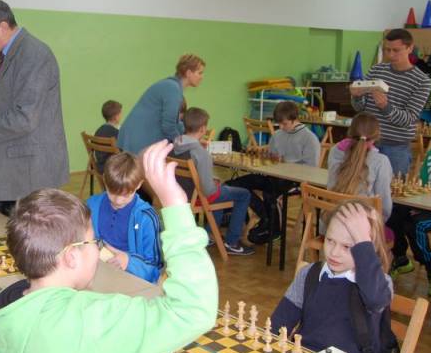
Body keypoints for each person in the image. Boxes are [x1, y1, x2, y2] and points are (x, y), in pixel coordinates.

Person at [0, 140, 217, 353]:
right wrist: (175, 205)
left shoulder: (3, 313)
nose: (97, 247)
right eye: (93, 241)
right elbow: (193, 311)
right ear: (71, 256)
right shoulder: (102, 322)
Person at [0, 0, 68, 209]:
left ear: (2, 26)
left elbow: (25, 118)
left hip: (30, 173)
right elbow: (10, 110)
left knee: (29, 229)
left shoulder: (34, 55)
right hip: (16, 168)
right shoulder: (12, 53)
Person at [272, 201, 394, 353]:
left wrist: (362, 240)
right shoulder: (309, 274)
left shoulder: (380, 284)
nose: (334, 252)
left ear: (368, 247)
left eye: (347, 247)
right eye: (330, 240)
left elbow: (376, 300)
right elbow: (279, 322)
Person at [228, 101, 321, 244]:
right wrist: (264, 160)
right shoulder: (278, 135)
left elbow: (311, 169)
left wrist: (285, 164)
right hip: (274, 176)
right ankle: (266, 218)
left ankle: (273, 228)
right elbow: (272, 159)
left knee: (270, 193)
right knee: (234, 185)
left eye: (284, 124)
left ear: (294, 119)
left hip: (295, 180)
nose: (281, 127)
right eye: (279, 124)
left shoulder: (309, 138)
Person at [173, 108, 255, 255]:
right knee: (243, 194)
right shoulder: (200, 153)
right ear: (203, 129)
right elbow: (208, 191)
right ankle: (232, 242)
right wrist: (215, 184)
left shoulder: (175, 144)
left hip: (180, 194)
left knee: (221, 189)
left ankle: (209, 234)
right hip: (197, 197)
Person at [350, 28, 431, 176]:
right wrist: (356, 96)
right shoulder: (377, 70)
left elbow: (408, 119)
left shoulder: (422, 81)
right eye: (387, 50)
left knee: (393, 188)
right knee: (360, 186)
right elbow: (360, 108)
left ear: (410, 48)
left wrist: (385, 107)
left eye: (396, 50)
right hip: (366, 143)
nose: (391, 55)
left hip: (396, 149)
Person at [85, 152, 162, 283]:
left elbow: (154, 270)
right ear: (104, 180)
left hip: (132, 278)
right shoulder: (92, 205)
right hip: (97, 272)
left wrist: (128, 262)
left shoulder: (146, 218)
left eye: (126, 195)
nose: (118, 201)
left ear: (138, 185)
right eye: (112, 192)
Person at [117, 54, 204, 154]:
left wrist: (190, 138)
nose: (202, 77)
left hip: (133, 138)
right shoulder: (172, 89)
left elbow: (174, 122)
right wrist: (186, 144)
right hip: (138, 142)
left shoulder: (170, 86)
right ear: (188, 73)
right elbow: (169, 126)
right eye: (200, 73)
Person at [388, 130, 431, 290]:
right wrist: (417, 203)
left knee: (416, 225)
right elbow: (423, 184)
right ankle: (401, 258)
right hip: (427, 204)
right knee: (393, 212)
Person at [327, 113, 393, 220]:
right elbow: (385, 208)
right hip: (362, 227)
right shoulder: (381, 161)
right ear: (376, 136)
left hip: (331, 222)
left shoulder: (334, 151)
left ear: (350, 131)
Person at [94, 100, 122, 173]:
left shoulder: (98, 131)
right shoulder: (116, 133)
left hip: (100, 166)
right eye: (120, 113)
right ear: (116, 117)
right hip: (112, 168)